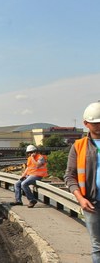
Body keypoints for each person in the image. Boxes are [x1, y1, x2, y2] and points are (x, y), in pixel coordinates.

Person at [65, 101, 100, 262]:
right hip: (91, 203)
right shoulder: (79, 146)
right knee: (97, 246)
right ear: (86, 124)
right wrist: (80, 198)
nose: (99, 125)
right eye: (95, 123)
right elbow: (70, 176)